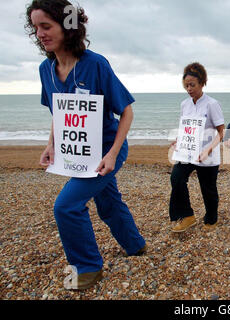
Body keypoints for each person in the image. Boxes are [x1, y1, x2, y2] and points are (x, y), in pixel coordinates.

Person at [25, 0, 146, 290]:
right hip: (77, 154)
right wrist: (50, 145)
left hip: (107, 150)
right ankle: (135, 245)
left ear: (67, 26)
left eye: (46, 25)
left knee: (66, 206)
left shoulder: (96, 64)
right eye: (35, 27)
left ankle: (88, 268)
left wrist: (113, 154)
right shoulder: (46, 69)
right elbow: (60, 114)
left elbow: (126, 111)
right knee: (108, 203)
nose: (40, 33)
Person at [169, 62, 225, 233]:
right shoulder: (184, 104)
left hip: (208, 154)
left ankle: (211, 219)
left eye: (192, 85)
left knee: (207, 189)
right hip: (188, 152)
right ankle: (187, 216)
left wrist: (208, 149)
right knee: (176, 178)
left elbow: (222, 132)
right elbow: (187, 128)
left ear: (202, 83)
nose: (189, 88)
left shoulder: (212, 104)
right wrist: (179, 140)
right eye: (186, 85)